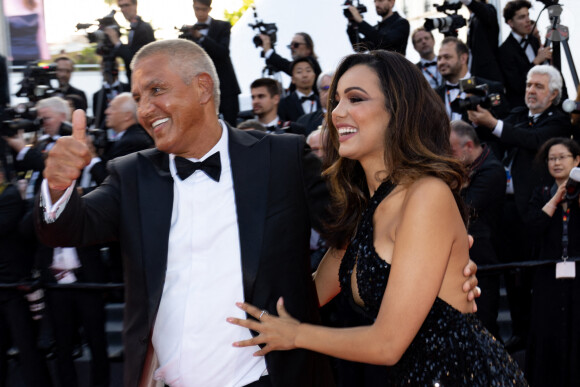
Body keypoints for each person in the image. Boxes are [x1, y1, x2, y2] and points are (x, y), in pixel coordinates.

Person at [35, 39, 479, 387]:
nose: (145, 109)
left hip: (274, 378)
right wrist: (57, 187)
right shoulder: (130, 174)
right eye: (137, 96)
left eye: (156, 90)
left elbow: (353, 234)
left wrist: (437, 262)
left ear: (203, 88)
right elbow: (67, 226)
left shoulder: (282, 158)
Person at [227, 50, 525, 385]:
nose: (337, 113)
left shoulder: (425, 194)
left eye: (355, 98)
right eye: (336, 100)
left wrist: (295, 335)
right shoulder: (365, 211)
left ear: (398, 110)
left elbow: (387, 344)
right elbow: (305, 295)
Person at [468, 64, 571, 352]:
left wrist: (494, 124)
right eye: (528, 85)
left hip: (535, 209)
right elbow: (495, 137)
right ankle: (519, 331)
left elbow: (532, 140)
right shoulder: (515, 115)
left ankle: (534, 332)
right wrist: (479, 122)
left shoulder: (558, 121)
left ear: (553, 94)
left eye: (538, 87)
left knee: (531, 272)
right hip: (506, 209)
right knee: (511, 274)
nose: (530, 91)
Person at [524, 137, 580, 386]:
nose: (556, 163)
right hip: (548, 273)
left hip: (578, 274)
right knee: (548, 330)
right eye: (551, 158)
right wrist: (555, 199)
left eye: (562, 157)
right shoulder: (542, 192)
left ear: (576, 160)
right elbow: (533, 227)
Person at [449, 120, 505, 338]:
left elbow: (466, 211)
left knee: (484, 321)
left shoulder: (492, 170)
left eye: (451, 150)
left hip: (484, 257)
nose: (448, 156)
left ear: (468, 146)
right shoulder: (464, 170)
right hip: (464, 258)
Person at [180, 0, 241, 126]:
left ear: (209, 9)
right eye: (197, 9)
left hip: (226, 87)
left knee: (231, 126)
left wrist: (201, 37)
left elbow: (223, 52)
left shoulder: (222, 26)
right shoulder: (188, 33)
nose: (200, 13)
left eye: (203, 9)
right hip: (202, 89)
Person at [87, 92, 153, 186]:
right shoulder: (127, 138)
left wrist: (92, 155)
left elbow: (110, 182)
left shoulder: (132, 142)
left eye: (112, 108)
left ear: (127, 116)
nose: (106, 112)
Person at [435, 37, 505, 123]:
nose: (441, 62)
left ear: (463, 58)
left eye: (447, 57)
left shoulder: (491, 88)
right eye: (439, 58)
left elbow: (502, 125)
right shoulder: (433, 95)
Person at [499, 0, 552, 108]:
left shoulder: (533, 40)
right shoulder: (505, 50)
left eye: (528, 15)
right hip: (522, 108)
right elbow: (517, 85)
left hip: (543, 101)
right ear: (510, 23)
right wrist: (536, 61)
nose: (528, 20)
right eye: (521, 17)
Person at [105, 0, 155, 85]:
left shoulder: (143, 28)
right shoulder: (133, 28)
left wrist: (116, 42)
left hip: (142, 83)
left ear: (135, 5)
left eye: (126, 5)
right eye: (121, 7)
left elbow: (136, 60)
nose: (123, 9)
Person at [460, 0, 504, 83]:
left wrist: (469, 2)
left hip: (488, 78)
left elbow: (484, 13)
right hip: (473, 76)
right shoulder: (472, 18)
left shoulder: (488, 10)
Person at [345, 0, 409, 55]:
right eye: (375, 1)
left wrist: (361, 22)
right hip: (377, 68)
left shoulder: (402, 23)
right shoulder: (377, 28)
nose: (376, 4)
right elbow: (359, 48)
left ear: (392, 2)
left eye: (380, 0)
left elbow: (386, 42)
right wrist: (351, 25)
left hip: (393, 67)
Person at [278, 57, 321, 123]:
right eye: (299, 72)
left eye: (308, 71)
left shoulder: (323, 101)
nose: (305, 75)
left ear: (314, 76)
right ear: (292, 79)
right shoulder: (283, 104)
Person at [297, 70, 334, 137]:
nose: (330, 93)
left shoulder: (352, 118)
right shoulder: (303, 122)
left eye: (334, 88)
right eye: (326, 88)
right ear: (319, 92)